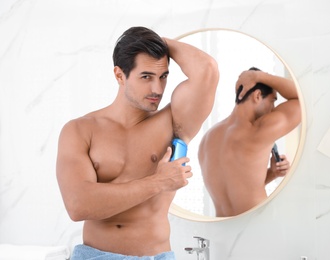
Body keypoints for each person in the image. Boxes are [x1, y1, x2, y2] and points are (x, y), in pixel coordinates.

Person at [56, 26, 219, 259]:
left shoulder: (173, 123)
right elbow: (78, 204)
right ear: (119, 75)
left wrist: (156, 41)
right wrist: (159, 181)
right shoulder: (80, 130)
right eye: (146, 77)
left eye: (163, 76)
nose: (157, 89)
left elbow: (207, 69)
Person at [198, 67, 301, 217]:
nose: (273, 109)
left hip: (223, 229)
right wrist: (258, 76)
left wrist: (272, 173)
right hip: (257, 225)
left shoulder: (208, 138)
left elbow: (237, 188)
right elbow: (301, 99)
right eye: (272, 101)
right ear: (257, 95)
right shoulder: (260, 129)